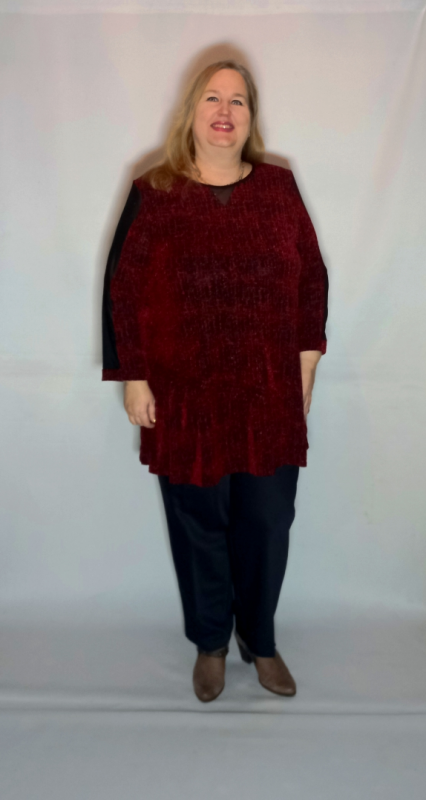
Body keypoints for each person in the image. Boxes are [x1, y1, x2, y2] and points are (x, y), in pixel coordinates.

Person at [102, 59, 329, 703]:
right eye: (212, 98)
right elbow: (123, 289)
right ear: (191, 112)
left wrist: (306, 366)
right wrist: (133, 376)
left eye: (238, 100)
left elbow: (312, 280)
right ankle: (209, 642)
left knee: (267, 523)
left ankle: (259, 638)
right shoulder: (154, 190)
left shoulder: (279, 188)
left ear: (251, 118)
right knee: (197, 522)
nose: (224, 111)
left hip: (267, 395)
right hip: (186, 397)